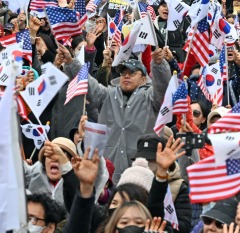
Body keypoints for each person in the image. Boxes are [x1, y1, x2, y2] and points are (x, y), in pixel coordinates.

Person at [58, 45, 172, 183]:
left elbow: (163, 87)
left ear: (143, 79)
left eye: (132, 73)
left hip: (141, 174)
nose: (126, 76)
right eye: (123, 73)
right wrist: (71, 62)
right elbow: (87, 82)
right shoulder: (108, 95)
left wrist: (159, 65)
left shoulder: (152, 98)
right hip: (108, 174)